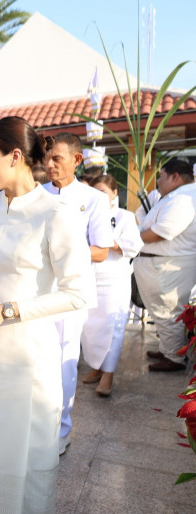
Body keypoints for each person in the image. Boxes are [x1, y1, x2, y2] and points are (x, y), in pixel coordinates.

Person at [0, 116, 90, 514]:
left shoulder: (56, 213)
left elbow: (78, 293)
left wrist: (7, 311)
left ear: (15, 156)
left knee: (30, 462)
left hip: (29, 357)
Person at [43, 132, 113, 454]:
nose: (50, 164)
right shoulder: (37, 194)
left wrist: (61, 250)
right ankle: (37, 424)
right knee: (37, 359)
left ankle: (61, 430)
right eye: (47, 158)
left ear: (77, 159)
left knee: (64, 361)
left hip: (71, 291)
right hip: (38, 289)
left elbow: (101, 250)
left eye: (57, 158)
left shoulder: (94, 199)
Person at [80, 174, 143, 396]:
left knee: (112, 328)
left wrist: (109, 242)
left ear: (114, 193)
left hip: (114, 281)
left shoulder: (125, 216)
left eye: (103, 192)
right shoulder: (84, 215)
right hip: (89, 278)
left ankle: (108, 375)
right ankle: (97, 367)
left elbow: (134, 246)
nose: (98, 197)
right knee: (90, 328)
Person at [134, 159, 196, 371]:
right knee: (164, 312)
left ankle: (174, 358)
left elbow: (162, 232)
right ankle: (169, 349)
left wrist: (132, 238)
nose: (158, 181)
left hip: (166, 265)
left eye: (161, 176)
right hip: (162, 263)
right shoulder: (178, 195)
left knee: (167, 311)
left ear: (175, 176)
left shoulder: (183, 198)